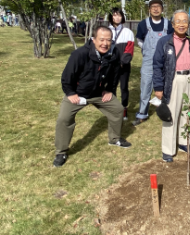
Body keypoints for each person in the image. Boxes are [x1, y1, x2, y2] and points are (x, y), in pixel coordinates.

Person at [52, 26, 131, 167]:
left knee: (118, 109)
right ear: (93, 40)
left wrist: (109, 91)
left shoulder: (114, 53)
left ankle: (114, 139)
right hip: (78, 93)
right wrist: (70, 93)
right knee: (64, 119)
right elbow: (66, 77)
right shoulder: (79, 54)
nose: (105, 43)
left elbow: (115, 74)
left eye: (108, 40)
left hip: (98, 93)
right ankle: (61, 151)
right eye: (101, 40)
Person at [152, 10, 190, 162]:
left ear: (189, 24)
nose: (182, 24)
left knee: (187, 113)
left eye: (185, 21)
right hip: (173, 80)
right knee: (171, 115)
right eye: (178, 21)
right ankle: (168, 149)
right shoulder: (165, 42)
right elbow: (157, 66)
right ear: (173, 24)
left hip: (189, 79)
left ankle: (184, 142)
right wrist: (159, 87)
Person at [132, 0, 174, 126]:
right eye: (153, 6)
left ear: (162, 9)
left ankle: (167, 113)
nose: (156, 8)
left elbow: (173, 41)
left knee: (167, 88)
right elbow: (139, 40)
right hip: (148, 61)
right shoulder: (143, 24)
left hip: (165, 61)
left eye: (158, 6)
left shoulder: (168, 24)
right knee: (145, 88)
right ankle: (142, 114)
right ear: (149, 9)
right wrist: (146, 49)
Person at [108, 7, 135, 121]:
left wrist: (122, 62)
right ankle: (113, 109)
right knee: (111, 87)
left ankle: (124, 108)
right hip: (110, 65)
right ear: (111, 17)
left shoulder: (128, 32)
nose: (117, 17)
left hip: (124, 65)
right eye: (114, 15)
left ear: (122, 17)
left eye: (119, 15)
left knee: (124, 87)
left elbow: (129, 50)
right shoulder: (106, 31)